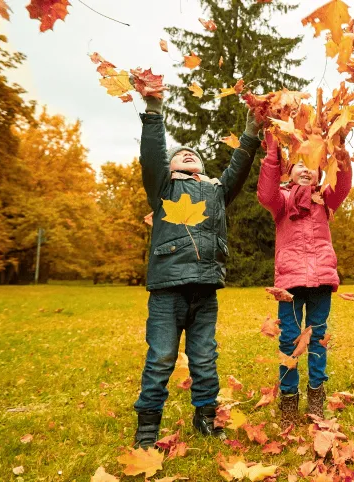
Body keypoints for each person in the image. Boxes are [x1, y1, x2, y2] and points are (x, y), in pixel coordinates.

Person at [132, 89, 263, 448]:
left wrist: (251, 133)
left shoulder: (217, 192)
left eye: (194, 155)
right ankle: (147, 428)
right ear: (170, 167)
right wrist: (155, 111)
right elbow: (152, 156)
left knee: (205, 357)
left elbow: (238, 169)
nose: (187, 153)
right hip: (167, 289)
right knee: (160, 358)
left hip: (205, 288)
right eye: (179, 154)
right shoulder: (163, 189)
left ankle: (206, 417)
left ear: (203, 169)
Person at [256, 133, 352, 425]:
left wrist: (339, 149)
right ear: (289, 171)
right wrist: (273, 150)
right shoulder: (281, 201)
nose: (306, 168)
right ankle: (288, 400)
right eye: (299, 163)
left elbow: (343, 184)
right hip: (290, 283)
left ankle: (316, 397)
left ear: (320, 171)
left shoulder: (325, 199)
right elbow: (266, 192)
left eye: (312, 163)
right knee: (289, 339)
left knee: (318, 338)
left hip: (322, 279)